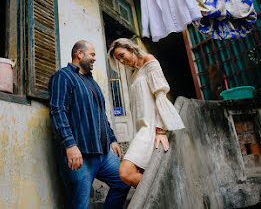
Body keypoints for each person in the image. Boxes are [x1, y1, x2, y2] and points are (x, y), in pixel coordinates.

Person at [49, 40, 130, 209]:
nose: (94, 58)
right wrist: (70, 144)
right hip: (80, 156)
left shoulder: (91, 82)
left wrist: (112, 139)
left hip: (103, 153)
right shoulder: (63, 76)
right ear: (79, 54)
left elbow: (100, 114)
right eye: (92, 54)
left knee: (123, 182)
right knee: (80, 205)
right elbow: (58, 111)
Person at [107, 38, 185, 188]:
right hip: (140, 130)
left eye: (122, 55)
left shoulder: (148, 60)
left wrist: (160, 130)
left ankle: (167, 192)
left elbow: (160, 95)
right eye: (118, 59)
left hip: (151, 129)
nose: (121, 61)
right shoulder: (133, 74)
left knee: (125, 172)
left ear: (130, 49)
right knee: (143, 173)